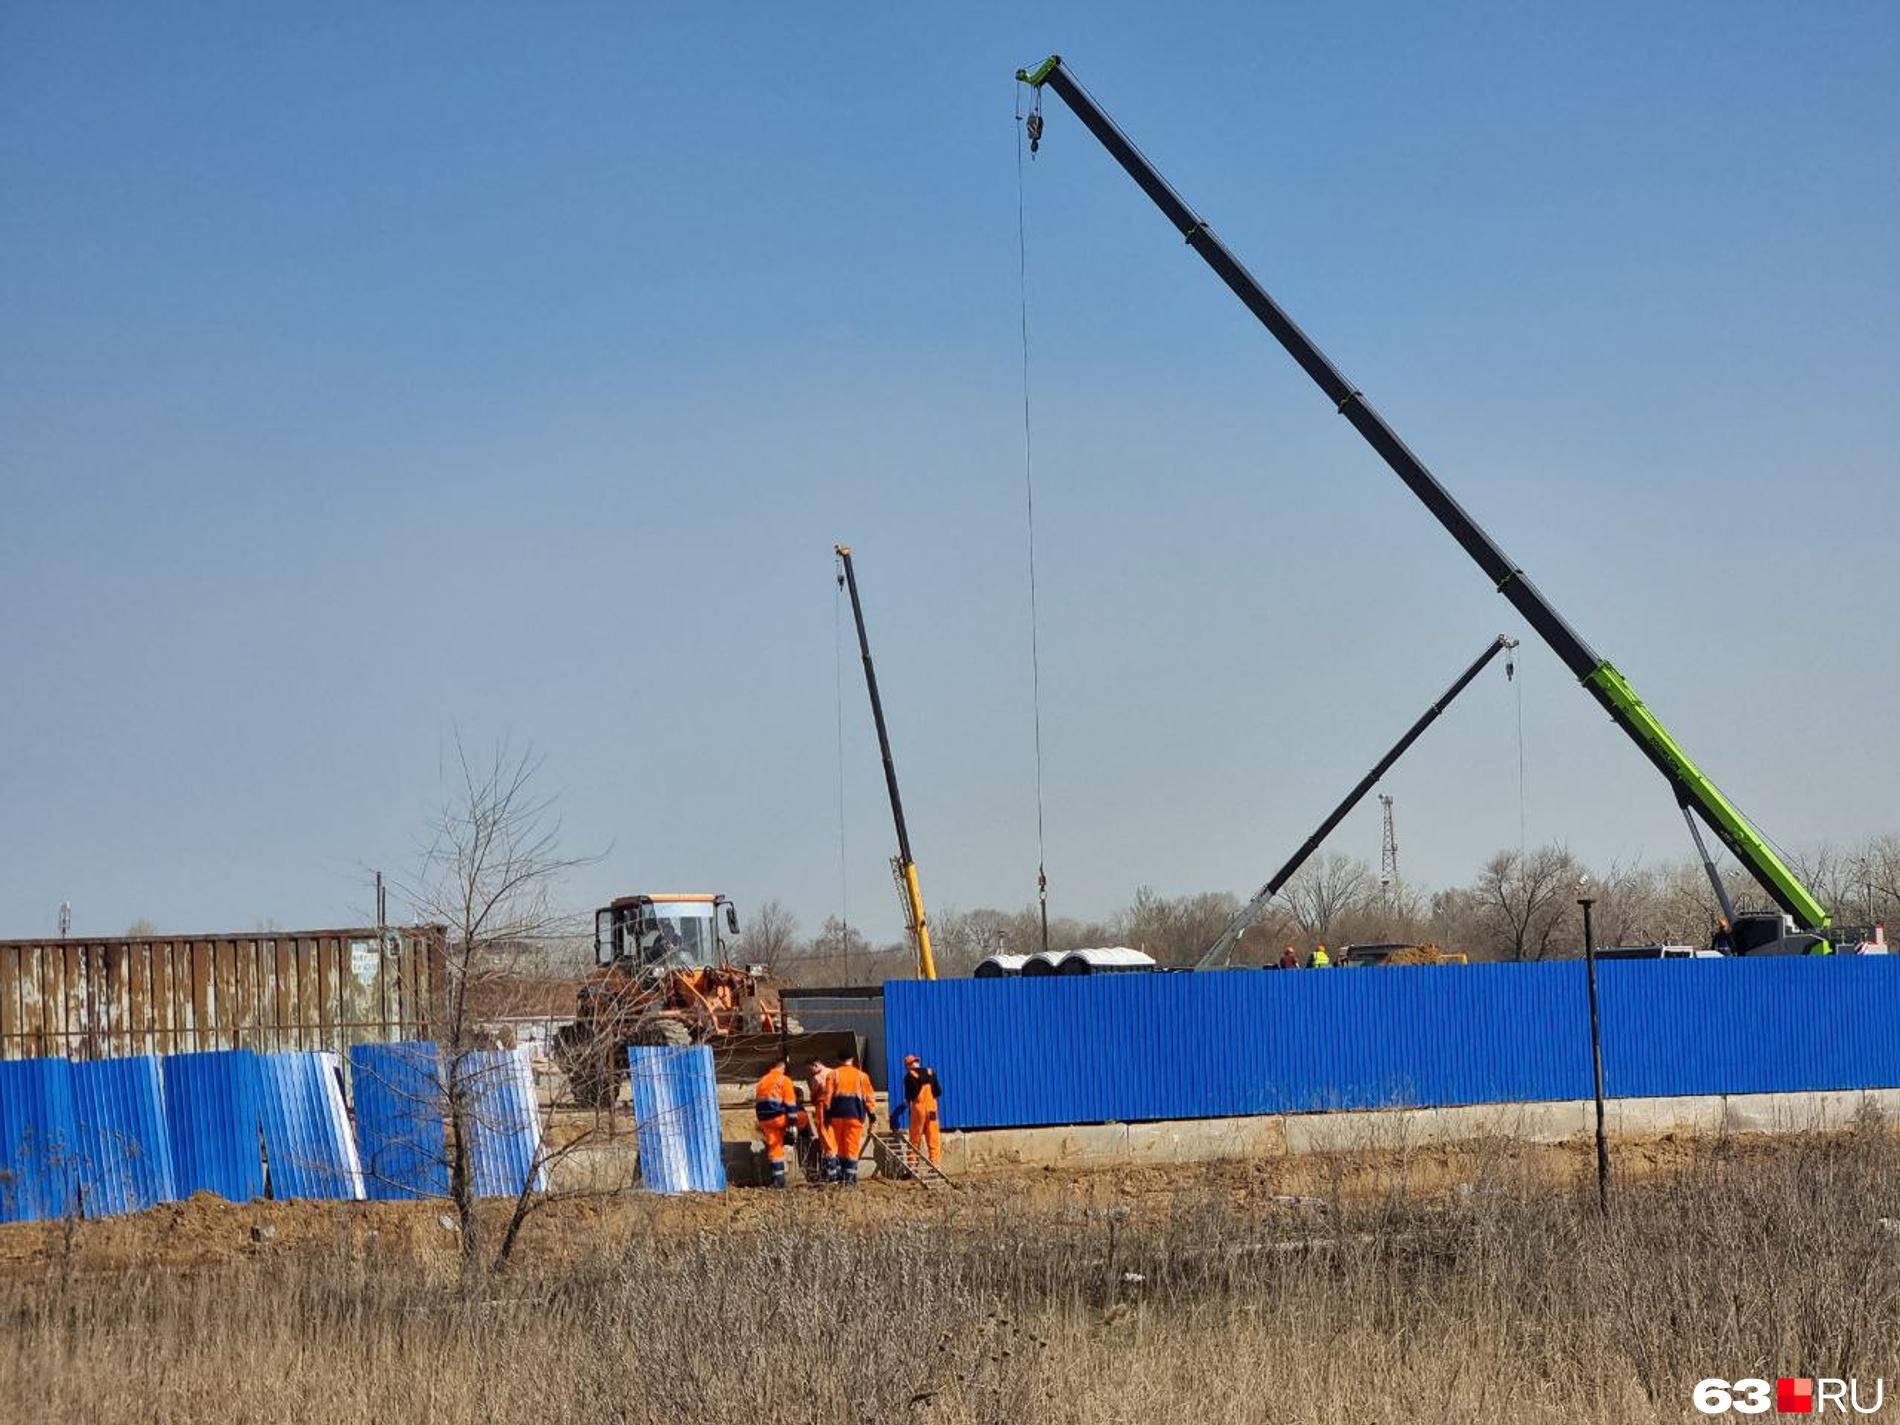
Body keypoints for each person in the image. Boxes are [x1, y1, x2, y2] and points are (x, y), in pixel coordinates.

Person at [825, 1048, 876, 1185]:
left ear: (838, 1061)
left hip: (836, 1116)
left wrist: (826, 1115)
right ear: (852, 1060)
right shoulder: (861, 1076)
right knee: (852, 1147)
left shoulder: (833, 1075)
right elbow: (869, 1097)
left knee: (840, 1147)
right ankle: (850, 1179)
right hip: (854, 1116)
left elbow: (827, 1098)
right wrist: (872, 1115)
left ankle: (841, 1176)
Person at [753, 1055, 799, 1188]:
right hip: (779, 1119)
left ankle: (778, 1180)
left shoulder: (761, 1081)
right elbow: (790, 1104)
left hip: (765, 1120)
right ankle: (794, 1140)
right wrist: (792, 1125)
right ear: (783, 1067)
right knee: (804, 1117)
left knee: (775, 1148)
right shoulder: (784, 1080)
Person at [901, 1053, 943, 1167]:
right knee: (933, 1135)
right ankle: (935, 1164)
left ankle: (912, 1164)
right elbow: (938, 1092)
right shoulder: (931, 1072)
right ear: (917, 1062)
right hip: (932, 1108)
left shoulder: (909, 1076)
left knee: (915, 1136)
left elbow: (909, 1097)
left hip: (918, 1109)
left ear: (908, 1065)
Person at [806, 1058, 836, 1181]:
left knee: (825, 1137)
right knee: (834, 1138)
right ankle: (838, 1170)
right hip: (836, 1108)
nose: (810, 1071)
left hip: (822, 1107)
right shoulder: (834, 1072)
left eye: (810, 1068)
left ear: (816, 1065)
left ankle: (831, 1172)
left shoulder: (817, 1078)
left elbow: (813, 1095)